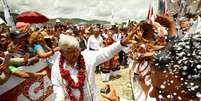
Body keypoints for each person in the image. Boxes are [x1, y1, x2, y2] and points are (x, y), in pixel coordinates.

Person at [51, 28, 136, 101]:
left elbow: (105, 52)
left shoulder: (86, 57)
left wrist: (121, 43)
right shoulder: (56, 68)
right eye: (70, 51)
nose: (75, 54)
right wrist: (60, 98)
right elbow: (58, 87)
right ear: (62, 52)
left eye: (76, 50)